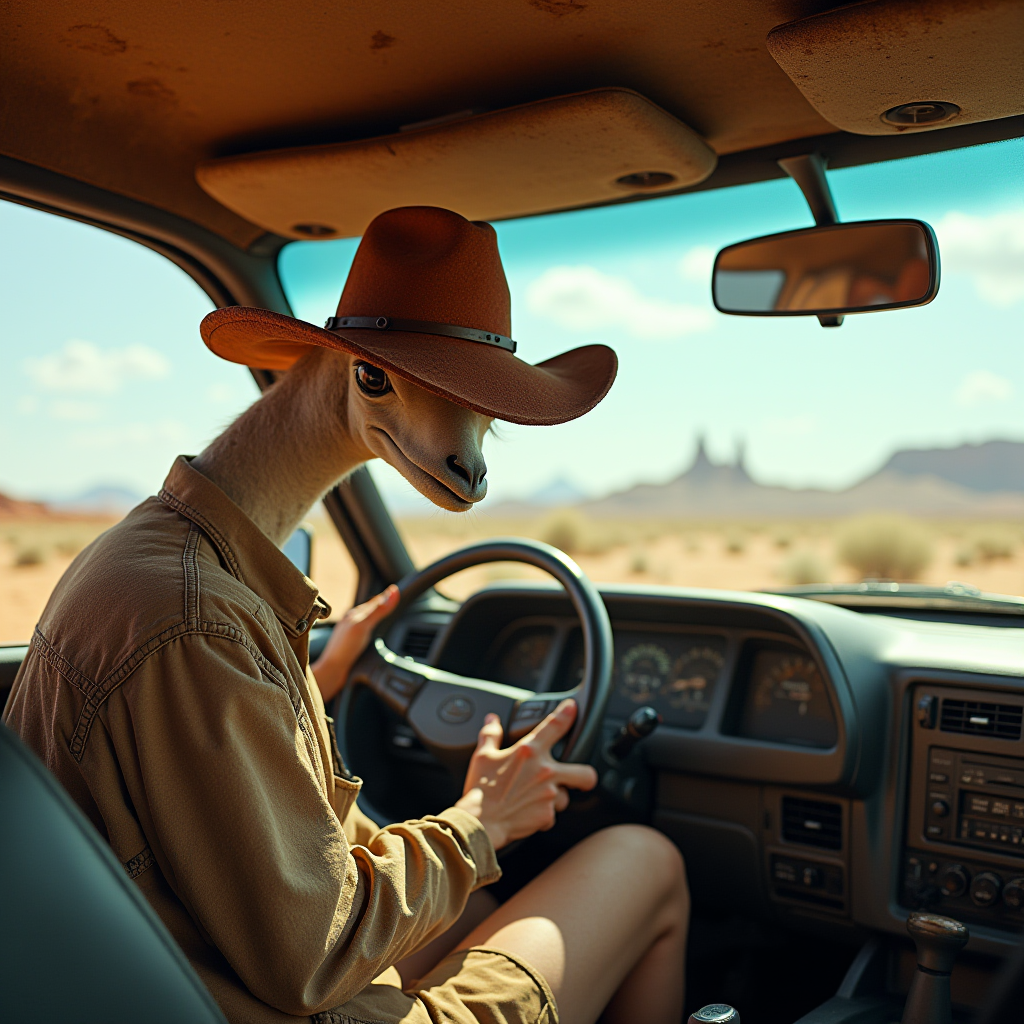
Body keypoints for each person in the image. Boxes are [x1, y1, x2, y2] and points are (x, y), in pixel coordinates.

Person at [4, 206, 689, 1024]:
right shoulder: (200, 625)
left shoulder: (160, 564)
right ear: (354, 373)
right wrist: (481, 820)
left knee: (470, 912)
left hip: (200, 975)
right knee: (642, 860)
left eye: (482, 407)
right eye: (397, 380)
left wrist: (305, 690)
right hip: (292, 999)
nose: (467, 461)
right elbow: (315, 952)